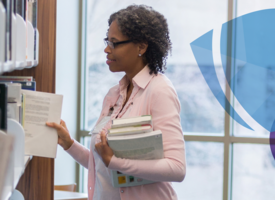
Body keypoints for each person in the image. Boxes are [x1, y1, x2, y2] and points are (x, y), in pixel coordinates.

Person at [46, 4, 186, 200]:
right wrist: (69, 144)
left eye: (114, 42)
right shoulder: (114, 94)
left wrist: (116, 161)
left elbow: (177, 168)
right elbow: (104, 164)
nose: (106, 49)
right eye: (107, 41)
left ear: (141, 47)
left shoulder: (159, 90)